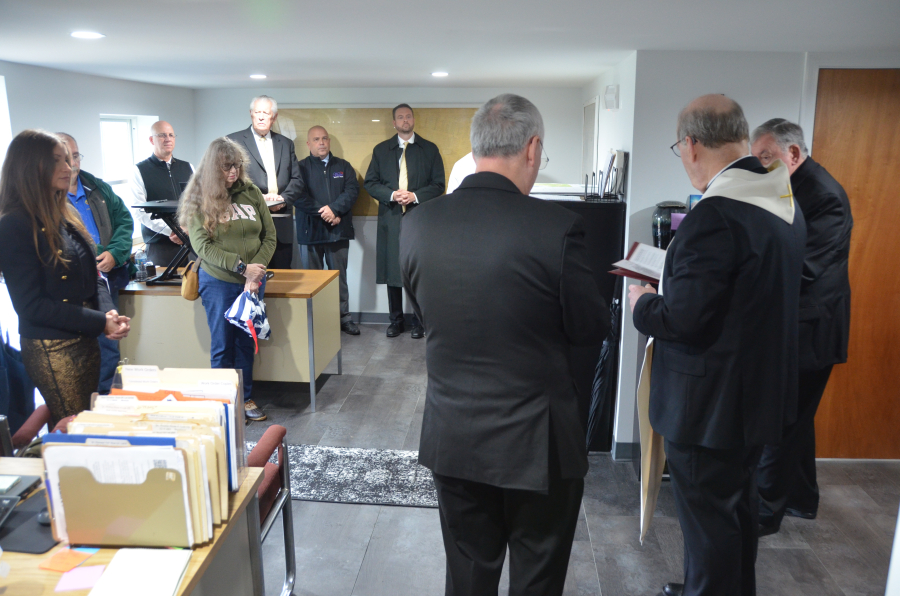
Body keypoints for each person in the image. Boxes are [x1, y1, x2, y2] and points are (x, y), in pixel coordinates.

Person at [400, 94, 608, 596]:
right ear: (533, 148)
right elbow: (591, 327)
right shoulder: (558, 228)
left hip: (453, 437)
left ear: (475, 149)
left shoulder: (417, 225)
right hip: (539, 446)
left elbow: (428, 317)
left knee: (467, 578)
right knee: (537, 580)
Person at [628, 95, 806, 596]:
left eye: (679, 148)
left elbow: (683, 317)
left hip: (708, 406)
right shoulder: (782, 203)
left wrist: (643, 301)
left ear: (691, 144)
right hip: (754, 396)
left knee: (709, 527)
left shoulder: (716, 215)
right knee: (736, 514)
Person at [750, 118, 853, 534]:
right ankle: (802, 497)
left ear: (792, 154)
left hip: (811, 329)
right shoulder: (790, 184)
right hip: (798, 323)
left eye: (765, 157)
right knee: (797, 416)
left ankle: (764, 513)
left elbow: (805, 269)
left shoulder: (825, 196)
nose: (759, 166)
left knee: (782, 419)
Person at [0, 130, 130, 428]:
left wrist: (106, 311)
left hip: (84, 341)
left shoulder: (65, 211)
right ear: (31, 167)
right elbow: (32, 306)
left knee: (90, 424)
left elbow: (90, 272)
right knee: (75, 431)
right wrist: (99, 322)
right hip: (54, 349)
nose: (68, 167)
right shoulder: (13, 225)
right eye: (57, 160)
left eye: (69, 159)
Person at [178, 137, 275, 422]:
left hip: (254, 281)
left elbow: (269, 235)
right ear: (212, 168)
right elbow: (203, 247)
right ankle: (222, 403)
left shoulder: (251, 192)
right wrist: (243, 268)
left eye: (236, 165)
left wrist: (255, 271)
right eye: (225, 167)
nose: (232, 172)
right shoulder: (199, 198)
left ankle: (244, 399)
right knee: (222, 345)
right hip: (219, 281)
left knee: (246, 343)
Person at [57, 133, 135, 395]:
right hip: (71, 283)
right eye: (66, 157)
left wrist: (115, 253)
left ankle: (108, 403)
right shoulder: (48, 198)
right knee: (81, 347)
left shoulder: (97, 187)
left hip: (106, 277)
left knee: (109, 344)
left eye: (76, 155)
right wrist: (100, 252)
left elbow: (124, 220)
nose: (73, 163)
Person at [365, 103, 445, 339]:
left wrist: (414, 196)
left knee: (419, 270)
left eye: (408, 116)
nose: (405, 120)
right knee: (393, 270)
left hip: (420, 218)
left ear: (413, 120)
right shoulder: (381, 150)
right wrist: (392, 194)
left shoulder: (429, 149)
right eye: (400, 117)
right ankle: (396, 321)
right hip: (391, 218)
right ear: (394, 123)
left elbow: (438, 184)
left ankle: (420, 322)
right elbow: (370, 183)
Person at [296, 126, 360, 335]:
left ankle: (344, 318)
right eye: (316, 139)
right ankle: (316, 319)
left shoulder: (343, 166)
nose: (321, 142)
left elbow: (352, 191)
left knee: (339, 278)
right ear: (308, 144)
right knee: (312, 281)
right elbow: (298, 196)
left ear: (329, 141)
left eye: (324, 138)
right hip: (310, 233)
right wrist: (325, 212)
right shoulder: (300, 168)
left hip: (337, 232)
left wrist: (335, 209)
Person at [227, 95, 303, 270]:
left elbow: (297, 181)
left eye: (266, 113)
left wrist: (282, 199)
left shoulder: (286, 143)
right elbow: (229, 181)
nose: (261, 117)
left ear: (274, 117)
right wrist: (260, 200)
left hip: (281, 222)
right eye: (257, 112)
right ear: (251, 114)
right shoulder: (233, 141)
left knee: (282, 275)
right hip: (248, 223)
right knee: (251, 277)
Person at [128, 121, 195, 268]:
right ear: (152, 140)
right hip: (161, 247)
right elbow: (139, 211)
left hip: (192, 243)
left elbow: (199, 204)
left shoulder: (188, 167)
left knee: (196, 288)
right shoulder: (139, 170)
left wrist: (188, 229)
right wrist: (172, 231)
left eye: (171, 135)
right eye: (162, 135)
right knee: (164, 290)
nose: (168, 139)